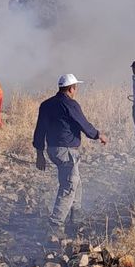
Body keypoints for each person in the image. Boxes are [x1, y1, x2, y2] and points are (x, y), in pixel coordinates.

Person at [33, 73, 107, 234]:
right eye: (75, 87)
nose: (76, 90)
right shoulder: (70, 105)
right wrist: (98, 135)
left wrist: (40, 153)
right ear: (71, 89)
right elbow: (83, 124)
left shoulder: (46, 104)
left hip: (52, 150)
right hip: (66, 151)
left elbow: (40, 130)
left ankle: (76, 214)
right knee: (69, 186)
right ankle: (56, 224)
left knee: (75, 180)